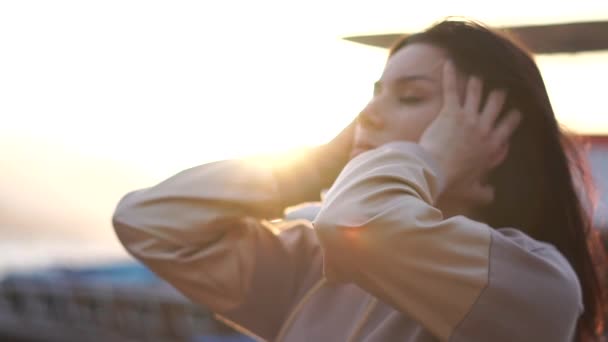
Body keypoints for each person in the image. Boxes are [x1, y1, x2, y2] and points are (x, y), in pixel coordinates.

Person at [112, 19, 605, 341]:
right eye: (373, 95)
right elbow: (150, 221)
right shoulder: (314, 268)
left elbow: (360, 222)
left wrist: (426, 161)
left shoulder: (537, 286)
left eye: (410, 97)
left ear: (493, 134)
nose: (367, 115)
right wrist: (319, 166)